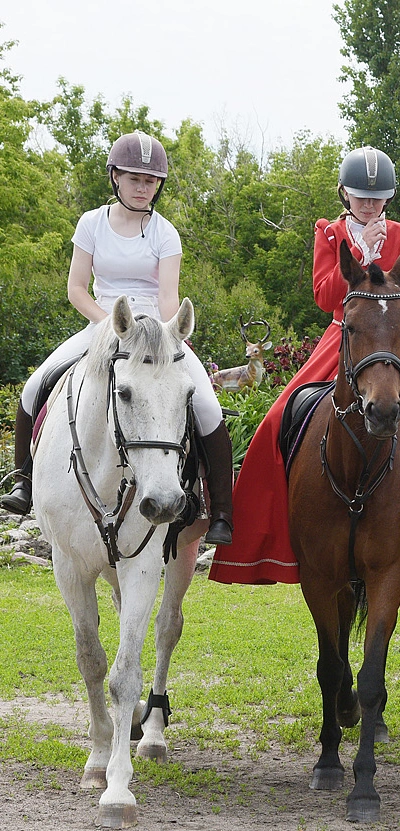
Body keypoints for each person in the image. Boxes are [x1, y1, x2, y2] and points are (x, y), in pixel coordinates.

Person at [209, 146, 400, 597]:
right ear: (345, 195)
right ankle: (256, 533)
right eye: (360, 197)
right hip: (342, 338)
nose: (369, 206)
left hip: (392, 345)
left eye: (377, 198)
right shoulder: (329, 233)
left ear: (387, 198)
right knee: (277, 420)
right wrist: (360, 250)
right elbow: (324, 295)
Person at [0, 132, 235, 544]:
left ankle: (220, 511)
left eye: (150, 181)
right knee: (37, 383)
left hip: (157, 333)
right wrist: (108, 323)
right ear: (115, 178)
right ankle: (23, 481)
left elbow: (167, 298)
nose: (143, 188)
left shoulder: (166, 233)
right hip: (103, 322)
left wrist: (166, 341)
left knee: (206, 404)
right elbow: (76, 289)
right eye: (134, 179)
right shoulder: (91, 223)